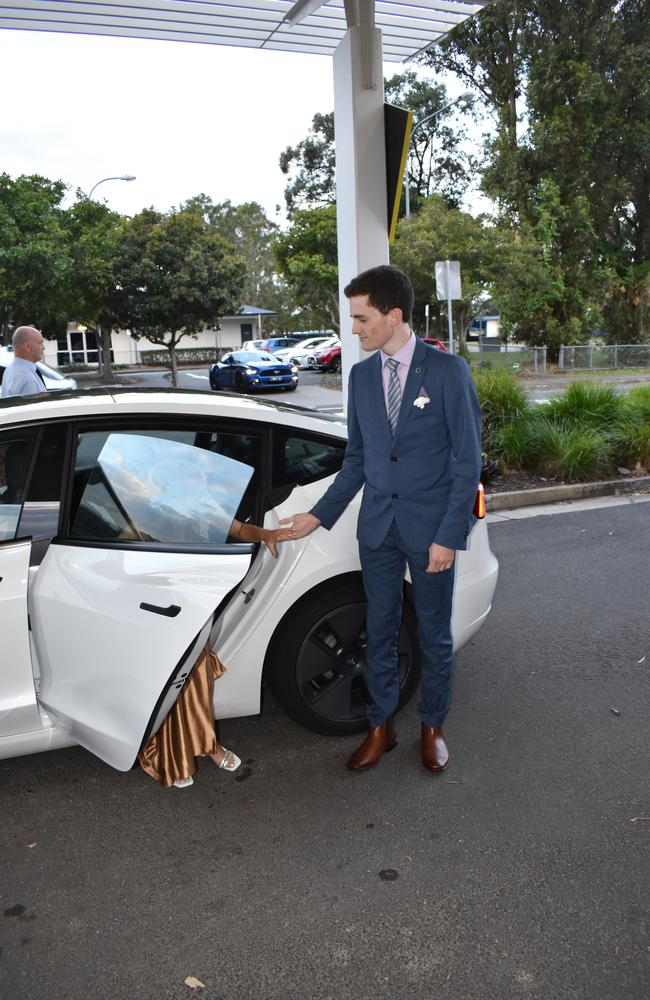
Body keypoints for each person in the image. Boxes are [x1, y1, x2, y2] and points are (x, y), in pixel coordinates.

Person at [281, 265, 482, 773]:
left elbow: (466, 462)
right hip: (377, 532)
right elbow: (358, 461)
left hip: (431, 533)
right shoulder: (362, 376)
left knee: (434, 634)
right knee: (380, 630)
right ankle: (381, 726)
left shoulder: (447, 371)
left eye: (361, 317)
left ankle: (432, 726)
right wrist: (317, 516)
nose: (354, 328)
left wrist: (448, 536)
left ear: (394, 315)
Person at [138, 517, 297, 788]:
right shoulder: (143, 503)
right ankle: (178, 753)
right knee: (170, 681)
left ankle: (203, 747)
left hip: (197, 601)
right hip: (155, 603)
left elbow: (239, 529)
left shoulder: (202, 502)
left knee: (196, 677)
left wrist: (264, 534)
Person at [1, 327, 47, 398]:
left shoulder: (8, 371)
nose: (43, 347)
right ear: (27, 347)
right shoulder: (29, 380)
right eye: (40, 343)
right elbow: (36, 408)